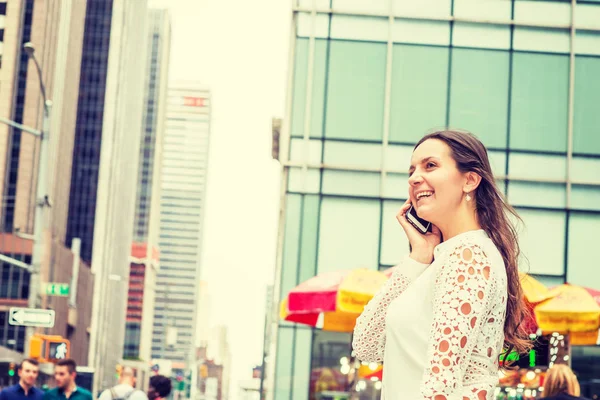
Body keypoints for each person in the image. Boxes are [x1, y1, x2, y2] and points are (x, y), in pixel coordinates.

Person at [352, 130, 531, 400]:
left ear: (470, 180)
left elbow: (441, 384)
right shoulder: (443, 259)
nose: (414, 178)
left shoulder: (469, 256)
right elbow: (366, 345)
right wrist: (419, 255)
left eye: (430, 165)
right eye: (411, 170)